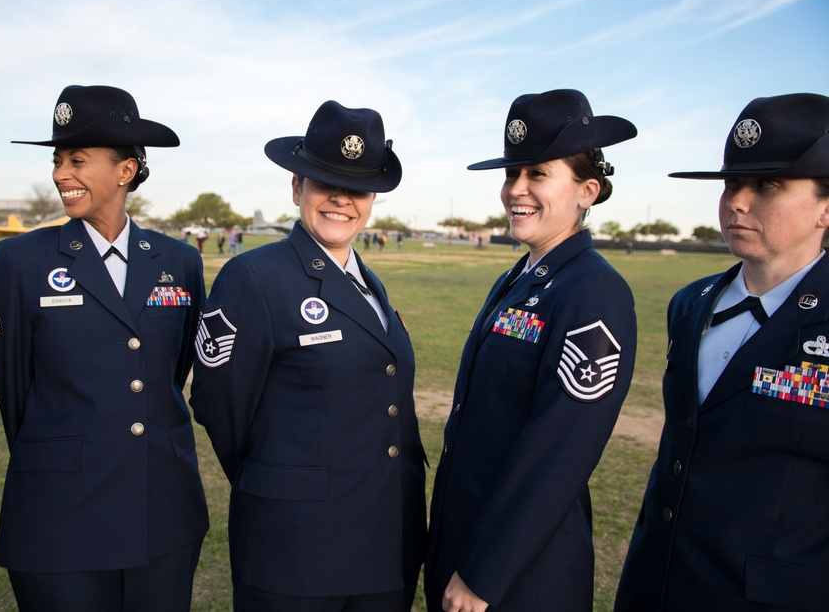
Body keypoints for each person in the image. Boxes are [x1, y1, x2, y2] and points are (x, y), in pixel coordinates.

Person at [191, 100, 426, 611]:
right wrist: (281, 481)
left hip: (385, 543)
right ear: (297, 187)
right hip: (295, 548)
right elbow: (218, 405)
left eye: (359, 187)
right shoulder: (253, 277)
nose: (342, 199)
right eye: (324, 182)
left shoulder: (367, 281)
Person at [0, 85, 209, 611]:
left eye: (78, 160)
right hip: (61, 512)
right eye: (58, 160)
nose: (61, 173)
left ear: (126, 170)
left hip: (162, 507)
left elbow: (169, 373)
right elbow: (14, 389)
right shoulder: (22, 261)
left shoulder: (178, 262)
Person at [425, 89, 639, 612]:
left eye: (538, 174)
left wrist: (483, 574)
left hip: (519, 574)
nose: (516, 189)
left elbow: (560, 450)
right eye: (511, 175)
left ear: (587, 191)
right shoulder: (523, 276)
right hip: (469, 542)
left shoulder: (592, 289)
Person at [615, 93, 829, 611]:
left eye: (768, 185)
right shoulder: (690, 304)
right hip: (655, 583)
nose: (737, 200)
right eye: (733, 183)